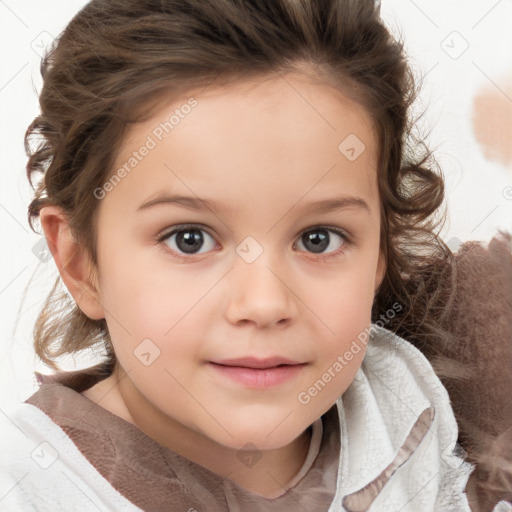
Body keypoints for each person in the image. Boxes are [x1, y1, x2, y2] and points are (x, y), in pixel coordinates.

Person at [1, 0, 509, 510]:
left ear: (380, 251)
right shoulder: (29, 487)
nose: (265, 304)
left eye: (319, 238)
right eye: (189, 239)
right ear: (81, 263)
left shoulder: (402, 403)